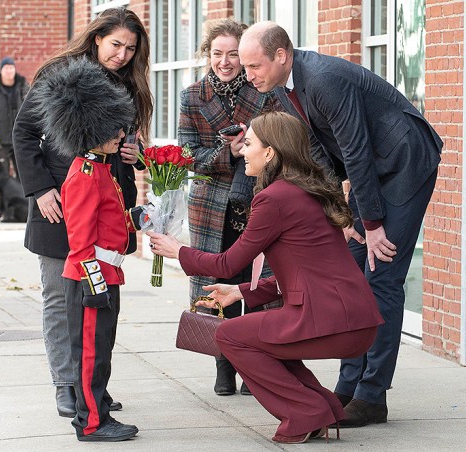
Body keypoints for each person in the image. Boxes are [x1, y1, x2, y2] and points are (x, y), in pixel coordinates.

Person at [238, 22, 443, 427]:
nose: (248, 75)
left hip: (404, 162)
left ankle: (372, 397)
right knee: (350, 274)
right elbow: (317, 150)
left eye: (253, 66)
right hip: (372, 169)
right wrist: (342, 216)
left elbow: (356, 150)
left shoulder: (326, 79)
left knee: (380, 275)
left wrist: (371, 223)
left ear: (281, 55)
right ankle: (348, 387)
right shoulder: (281, 86)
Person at [147, 111, 383, 444]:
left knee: (230, 335)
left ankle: (306, 412)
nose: (243, 150)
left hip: (332, 321)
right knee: (257, 338)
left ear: (270, 152)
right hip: (353, 320)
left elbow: (228, 262)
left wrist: (178, 251)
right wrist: (241, 293)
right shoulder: (304, 191)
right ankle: (321, 407)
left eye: (250, 143)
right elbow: (309, 270)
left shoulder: (274, 198)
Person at [13, 6, 152, 420]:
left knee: (99, 300)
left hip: (107, 210)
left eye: (130, 48)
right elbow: (23, 133)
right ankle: (66, 384)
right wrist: (39, 189)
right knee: (59, 298)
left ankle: (91, 388)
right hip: (58, 205)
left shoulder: (130, 85)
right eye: (115, 45)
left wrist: (137, 155)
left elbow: (132, 147)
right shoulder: (61, 73)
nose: (123, 54)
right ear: (96, 38)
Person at [178, 18, 277, 397]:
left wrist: (251, 149)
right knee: (216, 286)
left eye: (233, 54)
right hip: (211, 206)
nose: (225, 61)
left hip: (256, 200)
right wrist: (227, 152)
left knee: (254, 284)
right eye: (217, 53)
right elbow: (186, 155)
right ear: (208, 54)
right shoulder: (191, 96)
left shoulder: (264, 91)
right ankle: (222, 364)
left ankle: (253, 365)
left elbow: (279, 144)